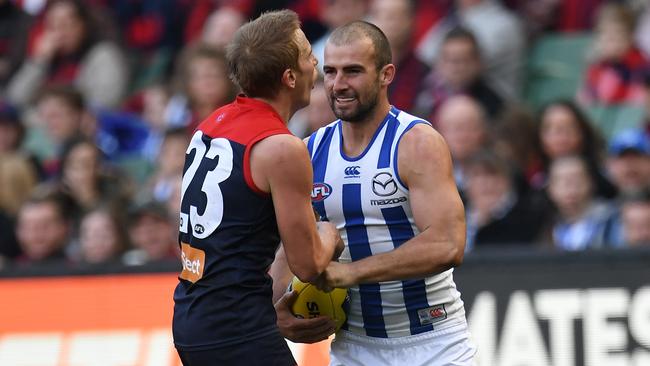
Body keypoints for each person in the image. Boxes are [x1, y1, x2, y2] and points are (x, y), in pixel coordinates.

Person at [273, 21, 476, 365]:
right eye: (332, 71)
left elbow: (448, 244)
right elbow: (288, 247)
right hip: (353, 347)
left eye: (353, 71)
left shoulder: (416, 142)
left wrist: (351, 272)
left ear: (386, 74)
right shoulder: (308, 151)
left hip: (435, 343)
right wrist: (275, 309)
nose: (338, 85)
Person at [172, 10, 343, 366]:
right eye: (309, 55)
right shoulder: (281, 147)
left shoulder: (210, 124)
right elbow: (309, 263)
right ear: (290, 77)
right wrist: (329, 233)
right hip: (235, 327)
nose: (317, 63)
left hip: (193, 314)